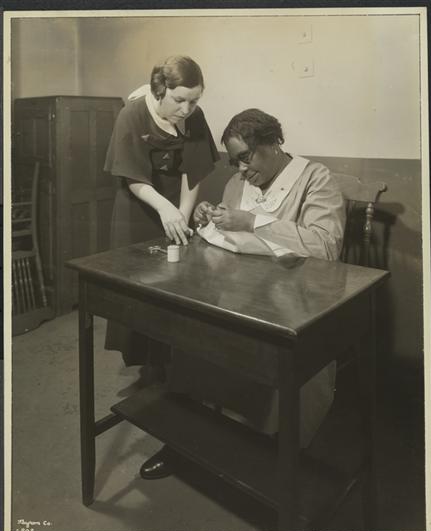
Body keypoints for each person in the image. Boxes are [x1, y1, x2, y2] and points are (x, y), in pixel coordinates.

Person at [145, 108, 346, 479]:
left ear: (273, 143)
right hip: (240, 289)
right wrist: (209, 215)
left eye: (246, 157)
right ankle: (185, 438)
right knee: (192, 328)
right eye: (234, 161)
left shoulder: (314, 178)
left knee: (268, 348)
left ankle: (272, 453)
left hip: (296, 301)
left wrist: (253, 221)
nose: (240, 168)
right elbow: (228, 233)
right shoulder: (239, 183)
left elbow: (325, 246)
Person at [103, 55, 219, 478]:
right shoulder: (132, 115)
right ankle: (149, 371)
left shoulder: (194, 116)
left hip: (175, 205)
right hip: (140, 205)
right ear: (159, 90)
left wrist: (182, 217)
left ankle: (174, 367)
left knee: (178, 281)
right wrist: (165, 210)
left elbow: (194, 173)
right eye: (180, 100)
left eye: (195, 100)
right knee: (141, 286)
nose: (187, 109)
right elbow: (132, 177)